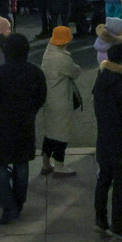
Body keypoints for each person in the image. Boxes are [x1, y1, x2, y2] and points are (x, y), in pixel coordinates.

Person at [0, 33, 47, 225]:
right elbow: (41, 97)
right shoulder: (35, 72)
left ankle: (8, 206)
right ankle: (19, 202)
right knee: (21, 164)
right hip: (25, 124)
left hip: (1, 126)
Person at [93, 42, 122, 240]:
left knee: (103, 180)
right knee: (120, 184)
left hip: (104, 139)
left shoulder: (100, 81)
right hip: (120, 142)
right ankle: (117, 224)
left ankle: (100, 220)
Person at [37, 26, 82, 177]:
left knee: (50, 132)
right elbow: (75, 71)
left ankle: (45, 162)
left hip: (49, 99)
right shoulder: (61, 58)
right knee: (61, 134)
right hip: (61, 100)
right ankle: (59, 165)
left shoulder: (48, 52)